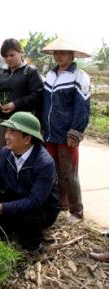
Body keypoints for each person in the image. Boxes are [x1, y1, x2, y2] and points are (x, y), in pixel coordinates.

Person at [0, 112, 59, 251]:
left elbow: (34, 201)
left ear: (27, 139)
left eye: (12, 132)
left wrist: (3, 207)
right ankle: (5, 233)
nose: (6, 136)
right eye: (7, 131)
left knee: (28, 219)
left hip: (40, 208)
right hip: (17, 196)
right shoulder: (5, 152)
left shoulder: (44, 163)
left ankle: (33, 244)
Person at [40, 36, 91, 223]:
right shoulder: (51, 75)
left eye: (63, 52)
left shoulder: (80, 76)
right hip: (50, 132)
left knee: (69, 173)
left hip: (66, 133)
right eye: (56, 52)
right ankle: (60, 204)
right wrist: (41, 126)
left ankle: (77, 211)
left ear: (72, 54)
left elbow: (83, 106)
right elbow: (45, 103)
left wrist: (75, 131)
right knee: (52, 170)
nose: (59, 56)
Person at [0, 38, 44, 153]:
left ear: (21, 52)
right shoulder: (0, 72)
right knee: (3, 150)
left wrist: (16, 104)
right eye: (5, 56)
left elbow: (37, 95)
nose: (8, 59)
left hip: (21, 122)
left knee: (20, 152)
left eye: (12, 55)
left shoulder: (31, 72)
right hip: (1, 119)